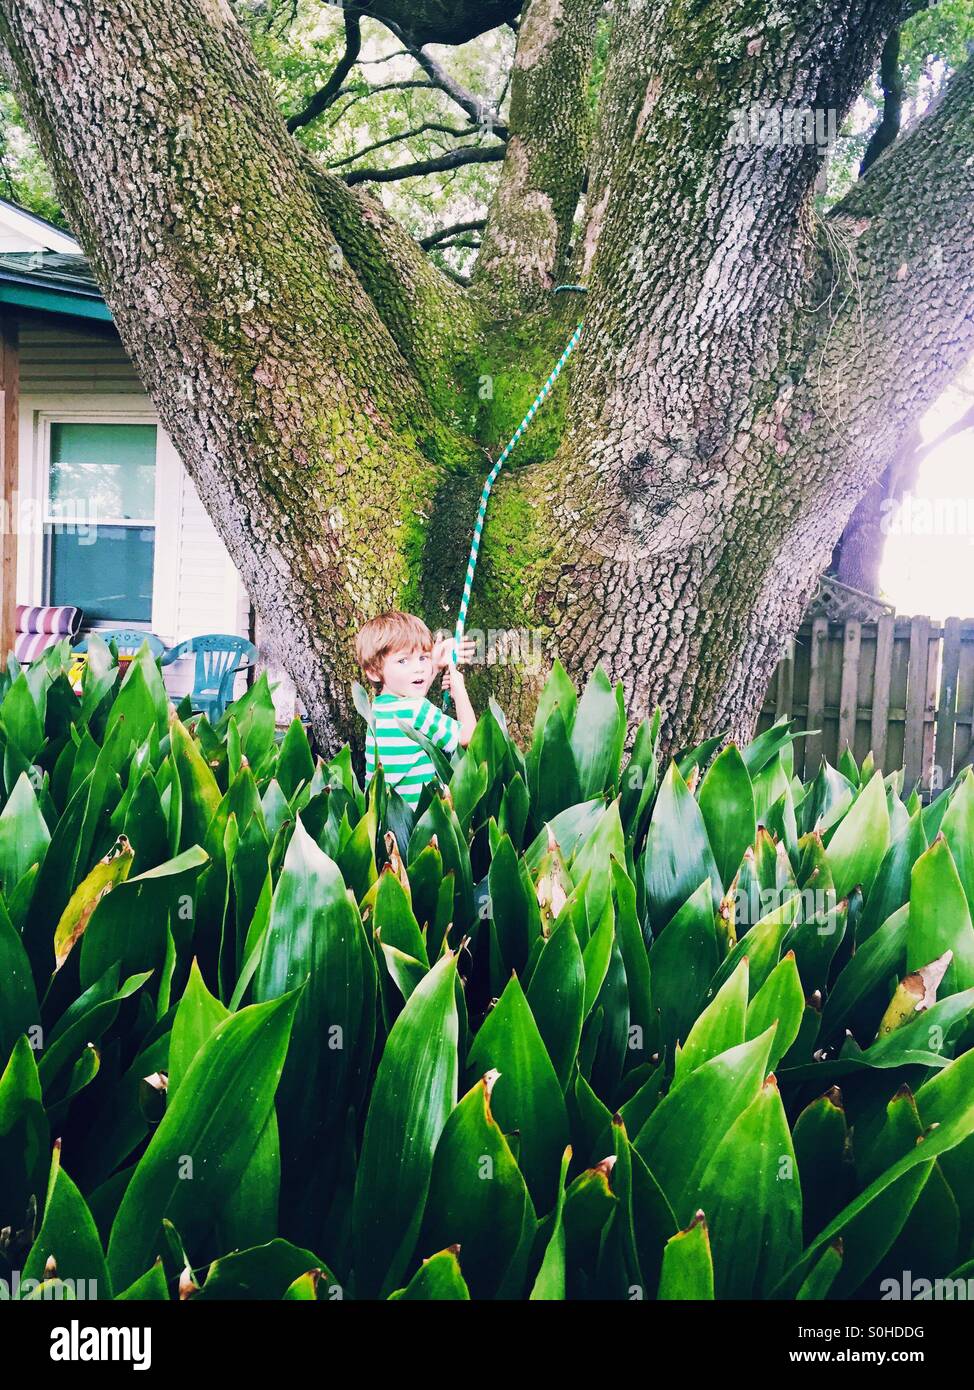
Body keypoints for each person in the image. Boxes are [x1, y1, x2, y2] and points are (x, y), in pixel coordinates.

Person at [355, 609, 476, 809]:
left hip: (384, 824)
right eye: (403, 661)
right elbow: (469, 738)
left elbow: (412, 699)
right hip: (419, 825)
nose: (418, 668)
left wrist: (434, 665)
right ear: (374, 672)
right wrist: (460, 690)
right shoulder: (417, 710)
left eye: (423, 658)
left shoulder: (376, 709)